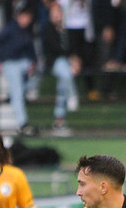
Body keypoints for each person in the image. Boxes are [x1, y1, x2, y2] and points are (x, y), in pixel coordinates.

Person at [0, 2, 38, 136]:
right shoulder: (10, 28)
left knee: (36, 75)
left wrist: (33, 63)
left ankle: (17, 95)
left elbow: (31, 49)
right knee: (17, 90)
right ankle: (22, 123)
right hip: (10, 63)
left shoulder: (27, 30)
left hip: (23, 63)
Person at [42, 2, 79, 136]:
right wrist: (70, 59)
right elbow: (55, 49)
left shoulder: (67, 30)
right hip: (54, 62)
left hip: (66, 64)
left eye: (59, 13)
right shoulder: (48, 29)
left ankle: (59, 120)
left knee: (63, 81)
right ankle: (73, 95)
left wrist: (74, 60)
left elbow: (73, 47)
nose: (57, 16)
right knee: (65, 70)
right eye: (54, 13)